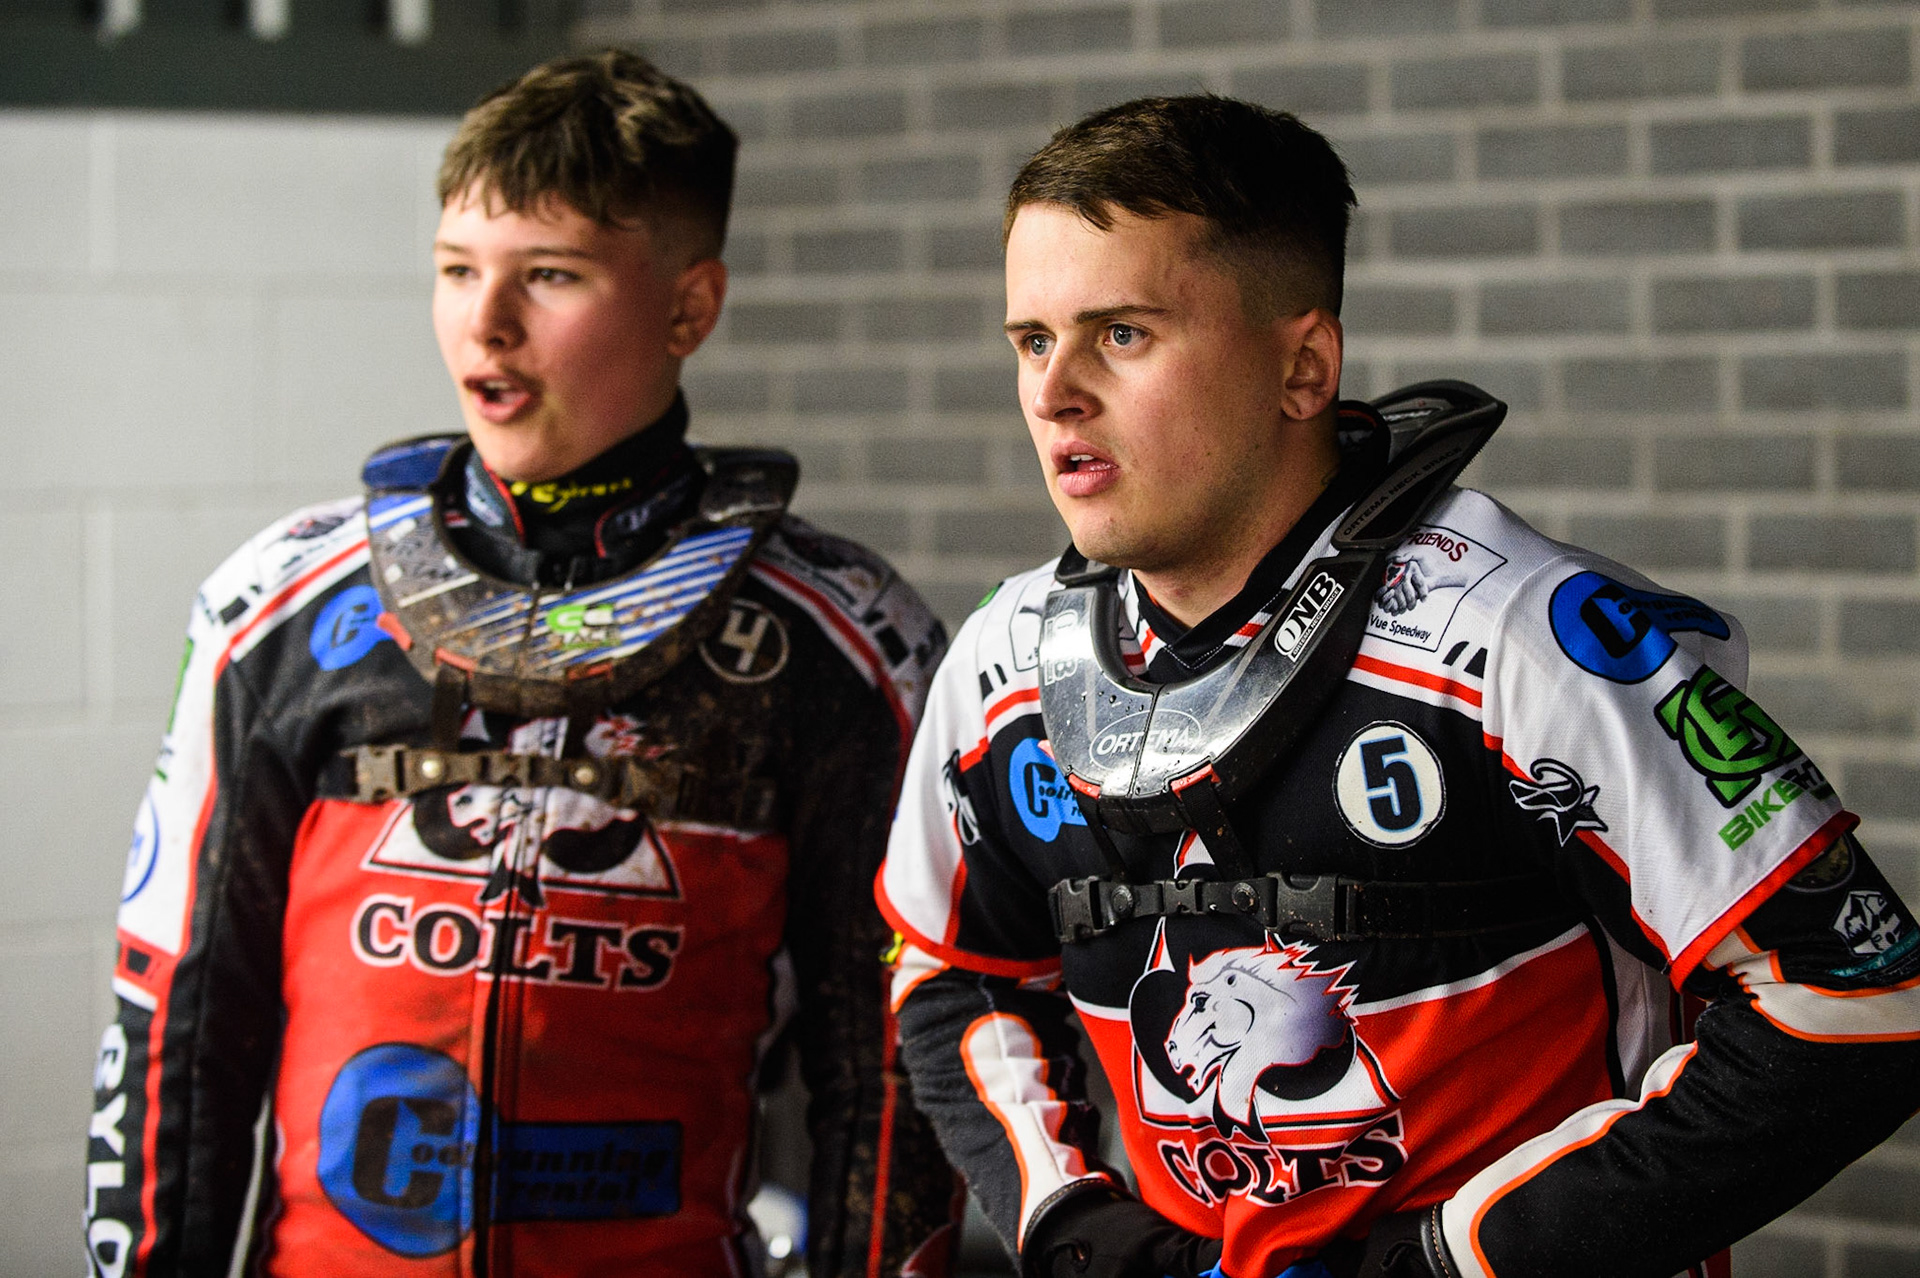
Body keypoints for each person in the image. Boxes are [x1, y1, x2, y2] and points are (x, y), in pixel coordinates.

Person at [875, 95, 1920, 1278]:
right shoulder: (1003, 666)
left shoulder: (1516, 638)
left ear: (1303, 366)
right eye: (1030, 340)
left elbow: (1860, 1002)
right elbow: (950, 976)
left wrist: (1452, 1258)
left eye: (1121, 334)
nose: (1053, 391)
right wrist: (1072, 1224)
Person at [84, 49, 957, 1278]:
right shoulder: (274, 610)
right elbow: (178, 1017)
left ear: (689, 309)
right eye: (457, 270)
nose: (484, 323)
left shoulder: (846, 643)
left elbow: (889, 1069)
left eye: (549, 275)